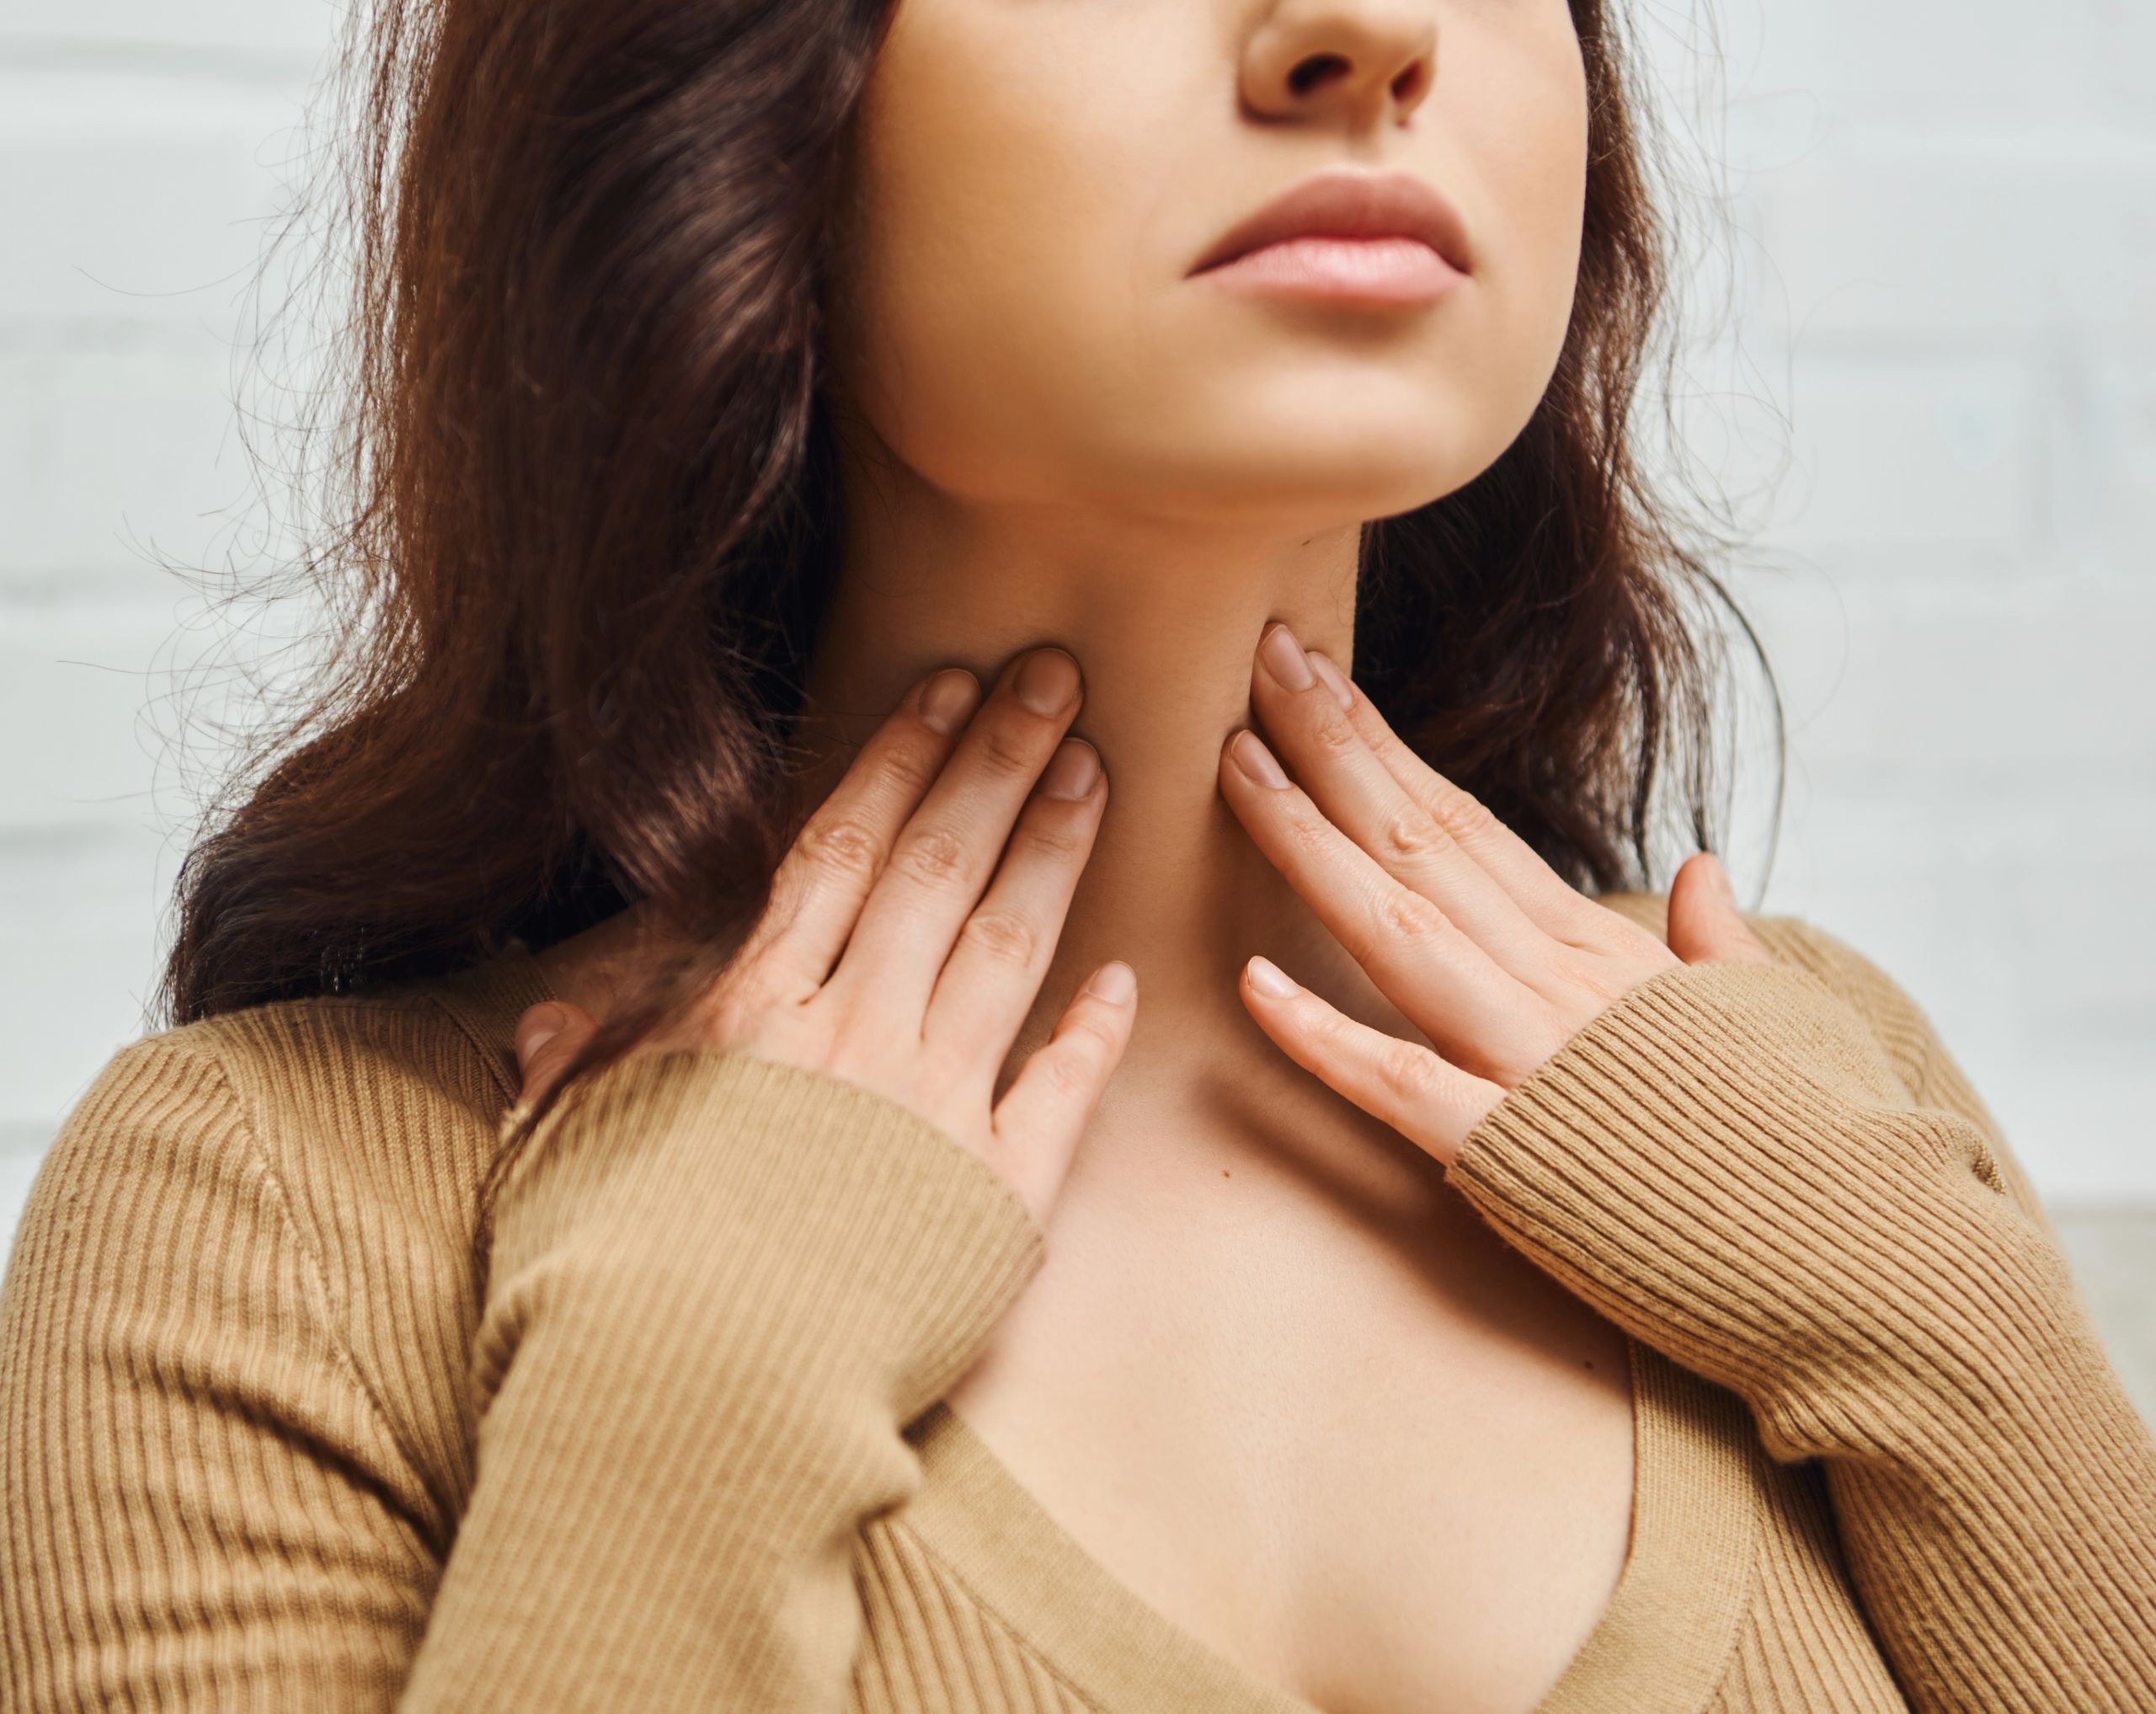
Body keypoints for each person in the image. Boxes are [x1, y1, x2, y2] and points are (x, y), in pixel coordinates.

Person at [3, 0, 2153, 1706]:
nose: (1363, 30)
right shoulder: (280, 1214)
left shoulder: (1803, 1074)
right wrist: (700, 1376)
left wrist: (1944, 1331)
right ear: (723, 93)